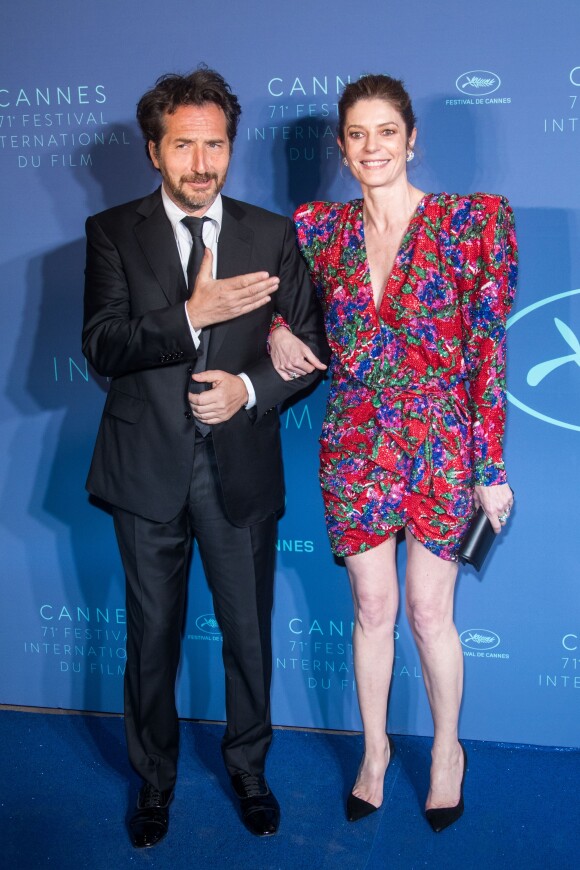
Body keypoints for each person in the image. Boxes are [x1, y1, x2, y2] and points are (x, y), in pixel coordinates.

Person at [82, 67, 328, 847]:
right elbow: (102, 347)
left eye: (214, 144)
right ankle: (153, 783)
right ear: (155, 151)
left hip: (239, 468)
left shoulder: (269, 234)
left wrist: (248, 392)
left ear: (230, 147)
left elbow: (311, 348)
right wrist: (190, 315)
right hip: (145, 469)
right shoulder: (113, 232)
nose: (200, 163)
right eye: (183, 145)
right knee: (151, 638)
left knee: (247, 632)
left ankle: (249, 769)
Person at [269, 73, 517, 832]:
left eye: (386, 131)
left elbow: (486, 352)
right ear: (342, 150)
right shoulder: (317, 230)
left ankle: (447, 752)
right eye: (356, 134)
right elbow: (279, 300)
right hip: (355, 442)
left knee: (427, 611)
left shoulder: (473, 222)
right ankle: (374, 751)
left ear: (412, 140)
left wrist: (491, 469)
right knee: (371, 607)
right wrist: (279, 328)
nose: (372, 146)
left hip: (442, 444)